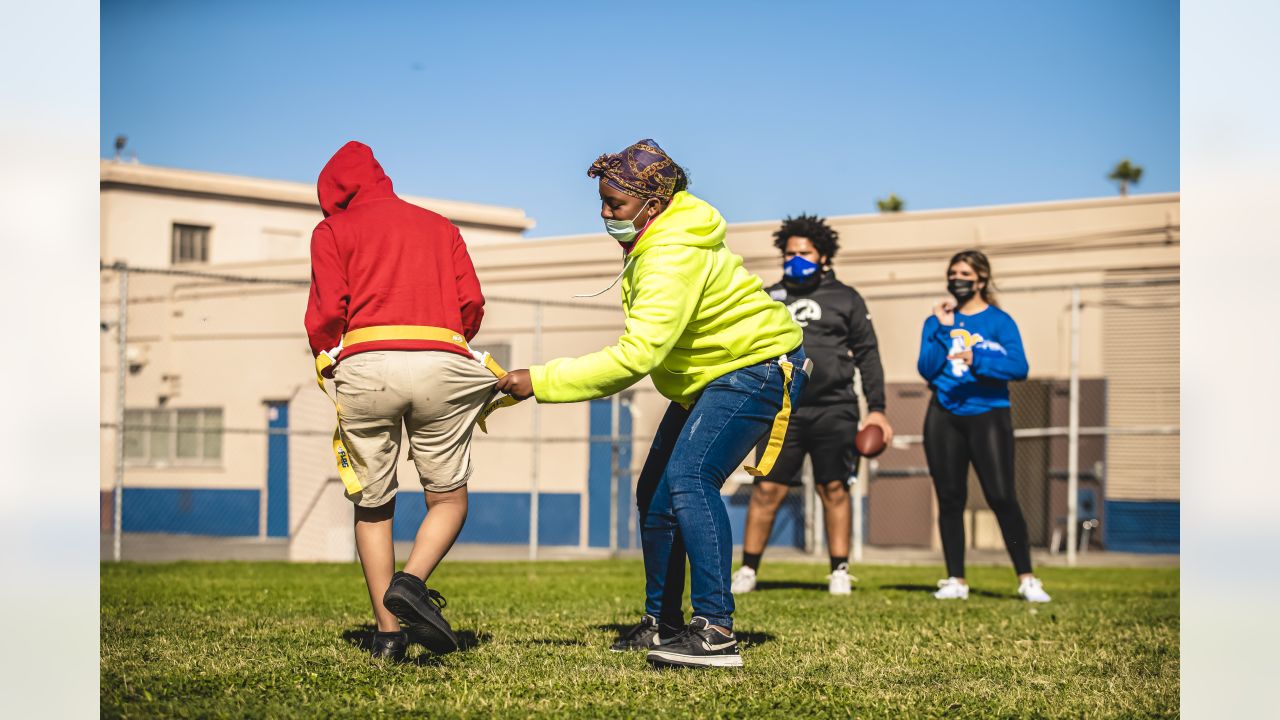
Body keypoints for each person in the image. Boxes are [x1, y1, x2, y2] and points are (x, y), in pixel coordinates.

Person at [496, 139, 806, 668]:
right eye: (601, 201)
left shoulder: (668, 254)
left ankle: (715, 632)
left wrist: (540, 380)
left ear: (652, 205)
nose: (604, 213)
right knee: (656, 493)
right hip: (708, 376)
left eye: (614, 204)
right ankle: (663, 623)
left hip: (753, 366)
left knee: (691, 477)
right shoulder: (656, 241)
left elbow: (635, 356)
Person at [305, 141, 500, 661]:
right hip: (441, 361)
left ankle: (389, 636)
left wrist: (329, 349)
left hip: (367, 366)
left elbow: (326, 314)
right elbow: (471, 304)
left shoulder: (332, 230)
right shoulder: (440, 227)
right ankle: (412, 581)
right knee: (448, 497)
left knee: (373, 503)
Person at [731, 214, 893, 596]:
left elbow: (868, 354)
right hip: (783, 408)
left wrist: (878, 408)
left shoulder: (846, 298)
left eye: (804, 252)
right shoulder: (768, 296)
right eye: (789, 253)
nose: (795, 259)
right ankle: (748, 570)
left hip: (835, 407)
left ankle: (839, 569)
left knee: (834, 487)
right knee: (767, 488)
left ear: (823, 256)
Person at [916, 250, 1051, 603]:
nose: (956, 278)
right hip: (943, 414)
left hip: (988, 414)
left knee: (1001, 496)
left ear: (981, 279)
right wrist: (944, 330)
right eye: (952, 272)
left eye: (964, 273)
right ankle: (955, 579)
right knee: (949, 498)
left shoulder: (999, 322)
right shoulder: (937, 322)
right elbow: (927, 369)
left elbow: (1019, 368)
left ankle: (1027, 578)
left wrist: (979, 358)